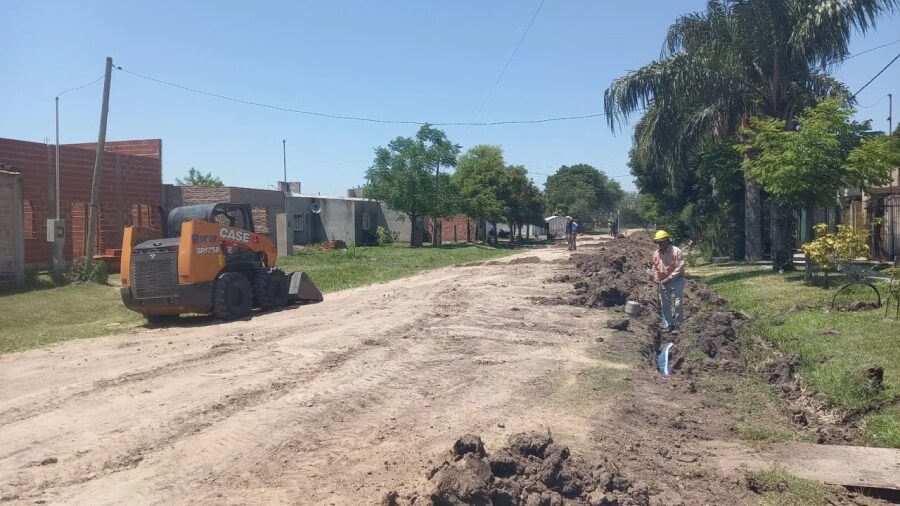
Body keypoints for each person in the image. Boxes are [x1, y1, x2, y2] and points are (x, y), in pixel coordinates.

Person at [651, 230, 685, 333]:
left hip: (677, 279)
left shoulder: (676, 251)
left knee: (678, 303)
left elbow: (679, 267)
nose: (660, 244)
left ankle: (678, 325)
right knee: (665, 304)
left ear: (667, 241)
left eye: (662, 242)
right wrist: (656, 277)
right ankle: (670, 324)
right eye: (658, 242)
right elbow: (655, 267)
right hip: (664, 281)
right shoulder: (656, 254)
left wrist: (669, 279)